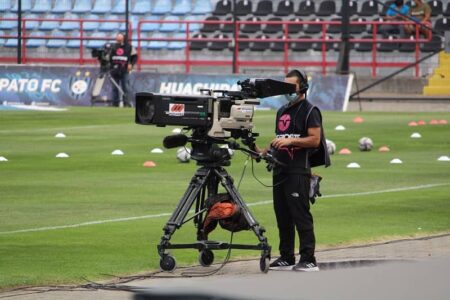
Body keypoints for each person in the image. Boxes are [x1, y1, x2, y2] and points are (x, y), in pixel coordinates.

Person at [253, 70, 330, 272]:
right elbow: (279, 140)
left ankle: (309, 259)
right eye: (284, 86)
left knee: (300, 215)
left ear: (302, 87)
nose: (287, 91)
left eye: (291, 87)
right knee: (283, 216)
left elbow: (314, 139)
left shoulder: (310, 110)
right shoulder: (282, 111)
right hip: (279, 169)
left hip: (298, 170)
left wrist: (291, 140)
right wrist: (260, 151)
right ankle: (287, 257)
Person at [110, 33, 137, 107]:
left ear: (123, 39)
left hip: (124, 70)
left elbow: (134, 56)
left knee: (126, 87)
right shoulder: (112, 46)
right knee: (114, 88)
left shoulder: (129, 47)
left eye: (120, 40)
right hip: (114, 70)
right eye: (117, 40)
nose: (118, 41)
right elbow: (108, 57)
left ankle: (127, 103)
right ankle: (115, 104)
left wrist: (131, 64)